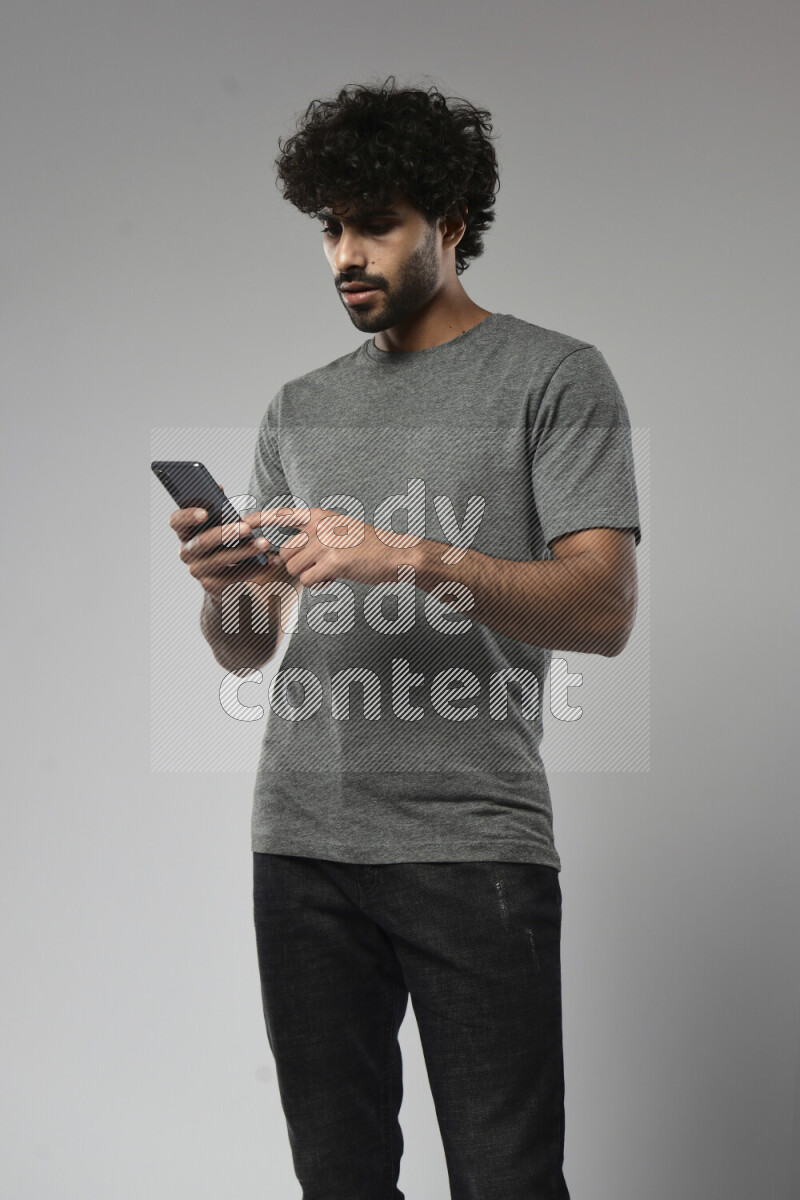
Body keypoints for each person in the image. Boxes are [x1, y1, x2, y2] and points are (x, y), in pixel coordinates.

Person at [171, 76, 640, 1200]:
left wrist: (413, 557)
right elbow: (248, 650)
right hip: (302, 842)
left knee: (507, 1181)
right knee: (337, 1183)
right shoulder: (299, 407)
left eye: (374, 223)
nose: (344, 252)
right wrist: (224, 585)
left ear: (450, 225)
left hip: (472, 844)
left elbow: (603, 609)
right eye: (330, 227)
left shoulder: (553, 377)